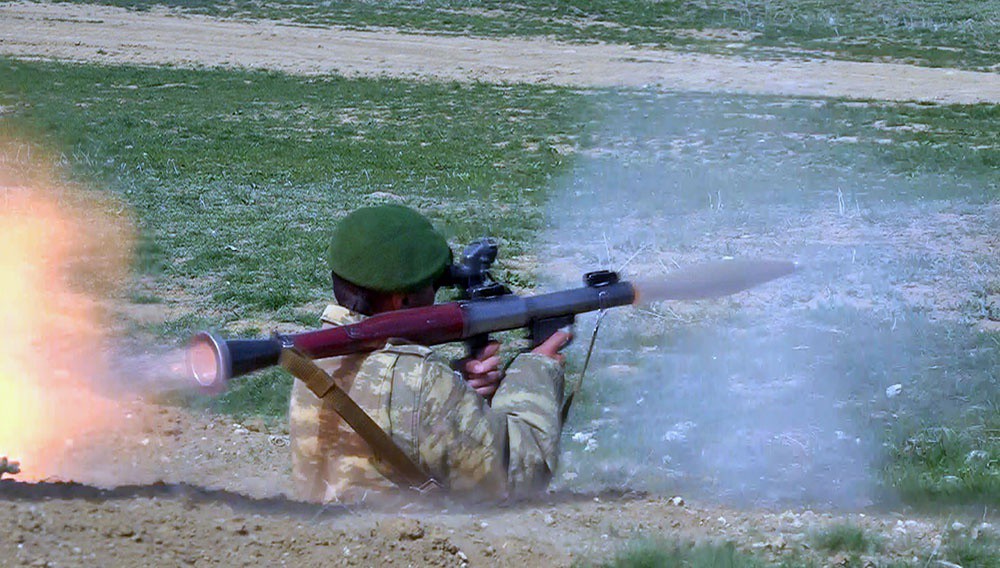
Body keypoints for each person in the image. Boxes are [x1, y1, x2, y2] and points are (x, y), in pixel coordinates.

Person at [288, 204, 571, 503]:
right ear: (401, 300)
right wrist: (536, 369)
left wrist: (460, 396)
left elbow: (395, 413)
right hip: (403, 530)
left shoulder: (315, 359)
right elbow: (524, 471)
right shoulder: (424, 383)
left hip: (333, 523)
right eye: (433, 286)